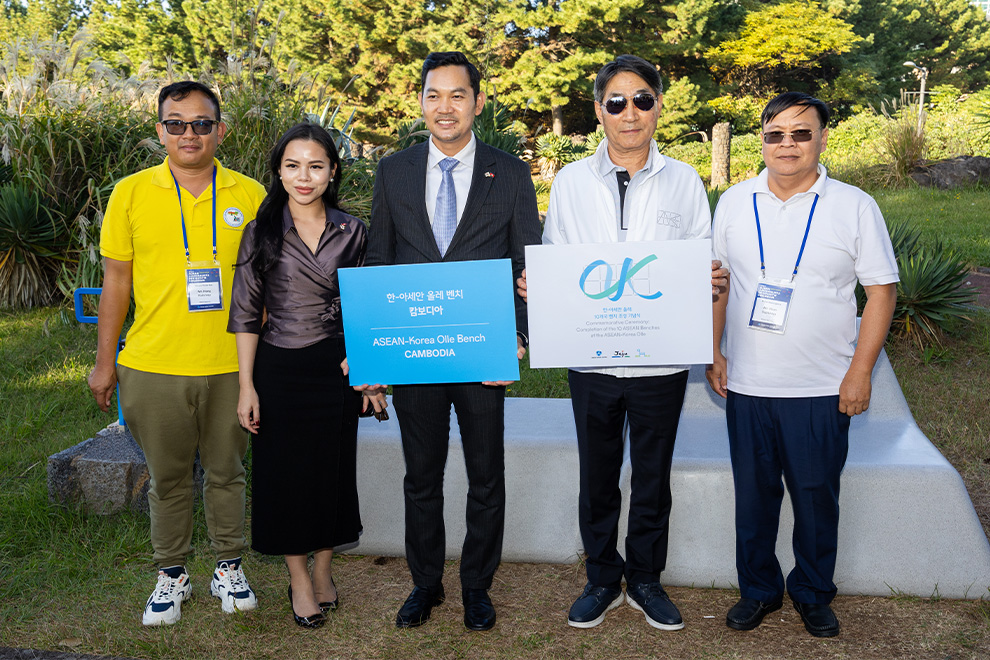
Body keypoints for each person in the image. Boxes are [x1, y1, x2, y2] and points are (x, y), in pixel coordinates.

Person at [517, 54, 727, 631]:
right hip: (591, 362)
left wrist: (706, 278)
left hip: (660, 363)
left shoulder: (684, 180)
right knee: (598, 474)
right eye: (616, 102)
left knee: (653, 475)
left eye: (641, 100)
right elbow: (558, 260)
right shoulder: (569, 182)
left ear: (658, 105)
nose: (629, 113)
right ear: (598, 111)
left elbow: (699, 262)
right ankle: (602, 579)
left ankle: (646, 578)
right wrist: (539, 284)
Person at [707, 92, 898, 638]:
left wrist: (860, 372)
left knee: (816, 499)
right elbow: (718, 282)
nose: (786, 144)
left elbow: (881, 294)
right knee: (754, 499)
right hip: (747, 382)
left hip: (822, 384)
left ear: (822, 138)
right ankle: (759, 591)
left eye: (801, 133)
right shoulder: (734, 203)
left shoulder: (855, 205)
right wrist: (713, 349)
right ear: (761, 140)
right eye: (775, 134)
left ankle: (813, 592)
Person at [364, 51, 542, 632]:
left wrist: (517, 333)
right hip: (413, 355)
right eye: (434, 95)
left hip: (481, 353)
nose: (446, 107)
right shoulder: (392, 171)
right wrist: (372, 351)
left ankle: (476, 586)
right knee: (422, 475)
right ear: (421, 101)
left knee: (487, 474)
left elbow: (526, 264)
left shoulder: (510, 173)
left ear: (478, 102)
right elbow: (379, 260)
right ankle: (425, 584)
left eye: (458, 95)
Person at [88, 81, 265, 626]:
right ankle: (172, 572)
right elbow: (116, 284)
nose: (190, 134)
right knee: (167, 477)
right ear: (160, 130)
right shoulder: (132, 193)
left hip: (231, 365)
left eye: (202, 123)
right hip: (152, 365)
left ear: (221, 129)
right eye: (176, 123)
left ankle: (228, 565)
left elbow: (270, 283)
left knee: (227, 471)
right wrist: (104, 361)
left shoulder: (251, 194)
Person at [227, 123, 386, 628]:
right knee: (285, 478)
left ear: (332, 172)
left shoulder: (354, 231)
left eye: (316, 166)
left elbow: (369, 306)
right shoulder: (261, 232)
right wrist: (246, 386)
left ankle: (323, 568)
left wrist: (368, 366)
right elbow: (246, 314)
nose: (304, 176)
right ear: (278, 171)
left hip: (337, 368)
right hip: (279, 368)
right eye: (293, 165)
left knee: (331, 473)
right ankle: (298, 579)